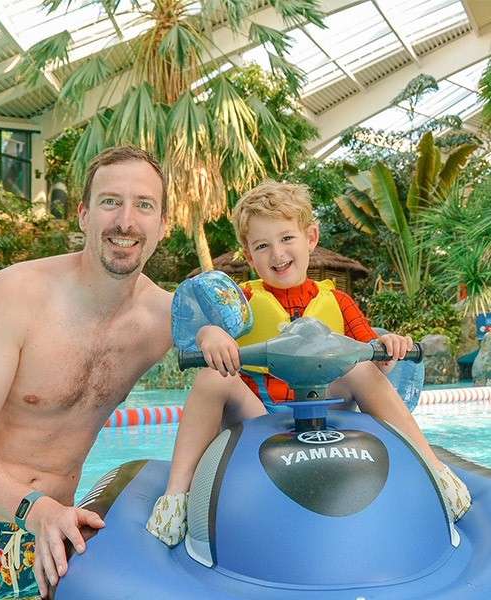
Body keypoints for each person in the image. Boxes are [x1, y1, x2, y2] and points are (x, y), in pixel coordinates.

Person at [0, 146, 173, 599]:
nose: (125, 221)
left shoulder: (166, 319)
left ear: (163, 225)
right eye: (109, 202)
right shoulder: (16, 293)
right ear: (83, 215)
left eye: (144, 205)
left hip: (51, 543)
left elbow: (240, 376)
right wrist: (35, 509)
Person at [146, 181, 471, 547]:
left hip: (328, 416)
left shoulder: (340, 302)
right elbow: (205, 338)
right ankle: (177, 496)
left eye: (287, 238)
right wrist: (210, 334)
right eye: (262, 246)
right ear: (250, 257)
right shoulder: (243, 303)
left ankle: (434, 470)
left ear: (311, 237)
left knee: (361, 368)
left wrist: (389, 347)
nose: (277, 253)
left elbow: (374, 358)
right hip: (260, 417)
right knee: (211, 379)